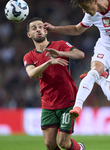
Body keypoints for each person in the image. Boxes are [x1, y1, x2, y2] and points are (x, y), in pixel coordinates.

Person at [23, 17, 85, 150]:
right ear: (29, 35)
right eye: (34, 28)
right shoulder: (29, 56)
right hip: (48, 103)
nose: (38, 29)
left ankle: (79, 148)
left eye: (40, 27)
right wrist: (49, 62)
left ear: (45, 31)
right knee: (49, 144)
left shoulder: (60, 45)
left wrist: (60, 53)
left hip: (66, 100)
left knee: (63, 143)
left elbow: (80, 54)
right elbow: (31, 74)